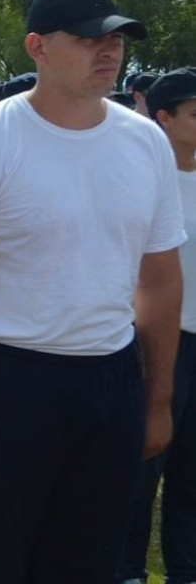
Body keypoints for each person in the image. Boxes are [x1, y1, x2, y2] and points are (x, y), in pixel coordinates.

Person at [0, 0, 184, 583]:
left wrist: (157, 397)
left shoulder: (144, 141)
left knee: (92, 556)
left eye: (117, 38)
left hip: (111, 374)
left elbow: (162, 280)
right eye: (90, 37)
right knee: (0, 556)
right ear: (37, 47)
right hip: (13, 381)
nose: (109, 50)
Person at [117, 67, 196, 584]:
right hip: (151, 341)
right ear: (163, 117)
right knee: (140, 465)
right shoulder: (136, 177)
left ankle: (185, 569)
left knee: (191, 474)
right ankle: (124, 569)